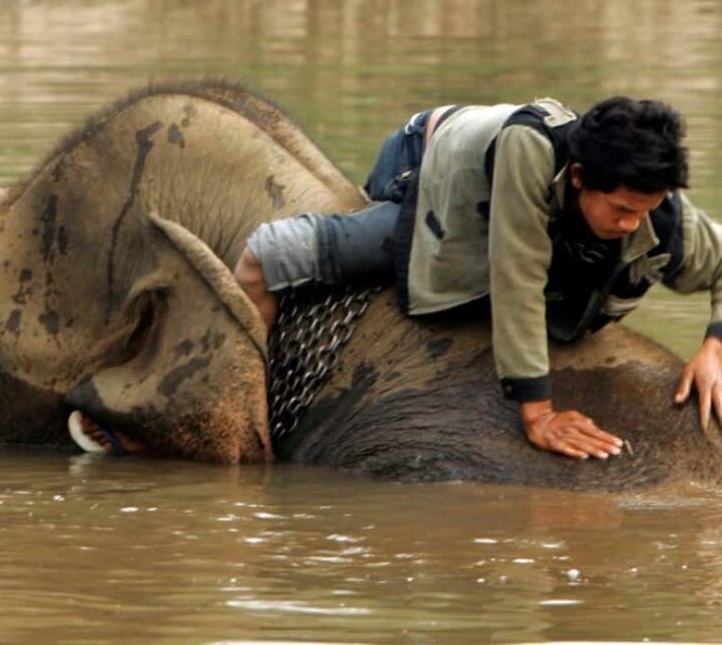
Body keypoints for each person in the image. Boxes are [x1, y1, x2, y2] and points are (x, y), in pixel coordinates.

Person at [234, 96, 722, 460]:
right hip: (427, 167)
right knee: (266, 259)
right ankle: (241, 418)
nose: (632, 225)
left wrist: (714, 345)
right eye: (620, 210)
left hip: (517, 204)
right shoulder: (530, 151)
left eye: (645, 211)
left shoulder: (657, 213)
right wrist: (539, 413)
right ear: (578, 177)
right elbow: (518, 277)